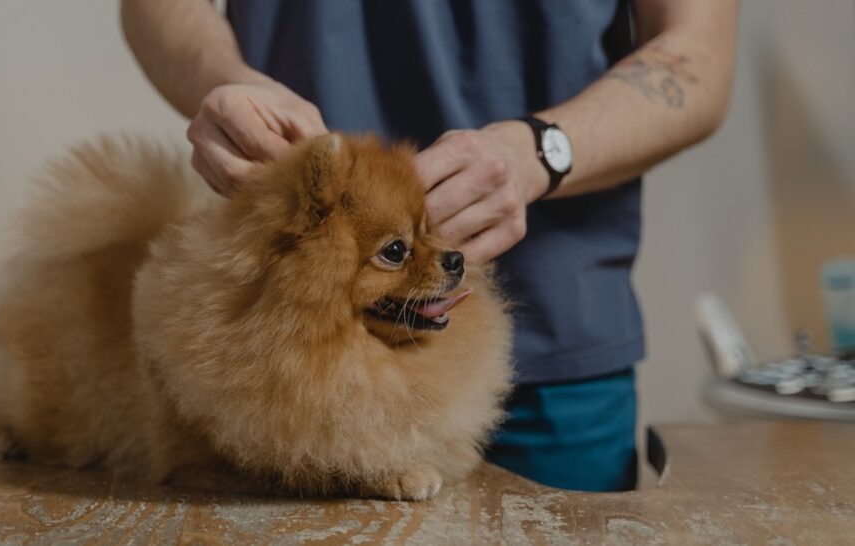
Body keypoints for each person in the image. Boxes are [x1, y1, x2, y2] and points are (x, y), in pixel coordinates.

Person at [121, 0, 738, 492]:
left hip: (556, 354)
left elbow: (699, 54)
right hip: (280, 377)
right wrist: (226, 82)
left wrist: (540, 152)